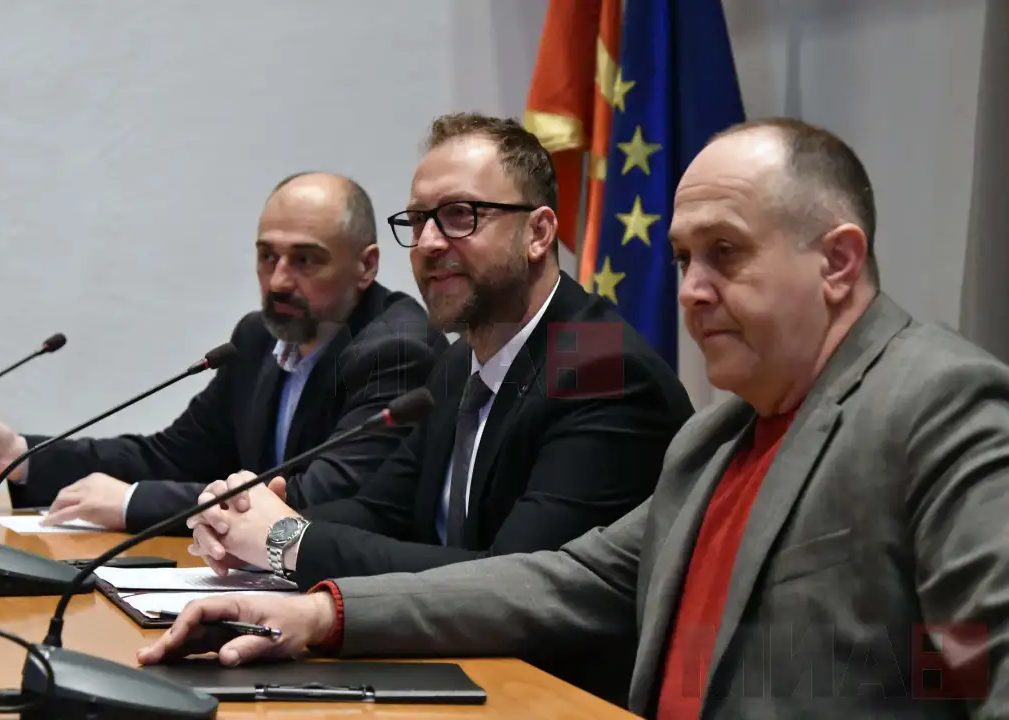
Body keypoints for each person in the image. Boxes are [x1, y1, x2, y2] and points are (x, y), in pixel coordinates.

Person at [140, 118, 1009, 719]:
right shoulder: (716, 441)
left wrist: (289, 545)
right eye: (682, 259)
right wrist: (321, 613)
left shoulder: (936, 402)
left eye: (726, 253)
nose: (693, 290)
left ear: (838, 262)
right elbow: (561, 580)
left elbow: (990, 667)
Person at [183, 112, 692, 598]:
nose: (427, 243)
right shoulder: (459, 361)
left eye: (458, 216)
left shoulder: (603, 370)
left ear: (538, 233)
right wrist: (249, 523)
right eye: (418, 220)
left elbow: (513, 583)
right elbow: (381, 511)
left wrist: (288, 542)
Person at [0, 172, 447, 532]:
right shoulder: (259, 339)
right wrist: (21, 457)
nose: (278, 281)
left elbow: (318, 496)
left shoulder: (395, 350)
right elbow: (172, 456)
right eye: (267, 256)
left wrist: (134, 503)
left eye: (306, 260)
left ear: (366, 266)